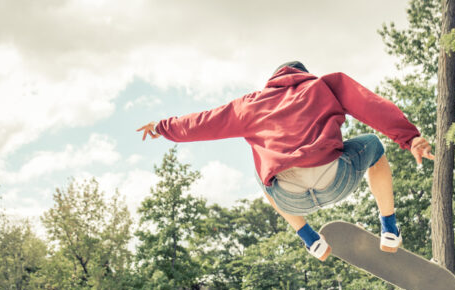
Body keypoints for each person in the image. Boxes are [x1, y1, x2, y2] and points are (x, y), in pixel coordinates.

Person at [137, 60, 434, 261]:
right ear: (304, 74)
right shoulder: (325, 85)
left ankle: (309, 238)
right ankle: (390, 229)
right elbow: (371, 106)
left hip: (289, 197)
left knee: (262, 171)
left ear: (273, 81)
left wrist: (163, 127)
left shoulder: (251, 104)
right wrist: (410, 139)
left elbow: (205, 121)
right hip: (335, 179)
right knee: (373, 145)